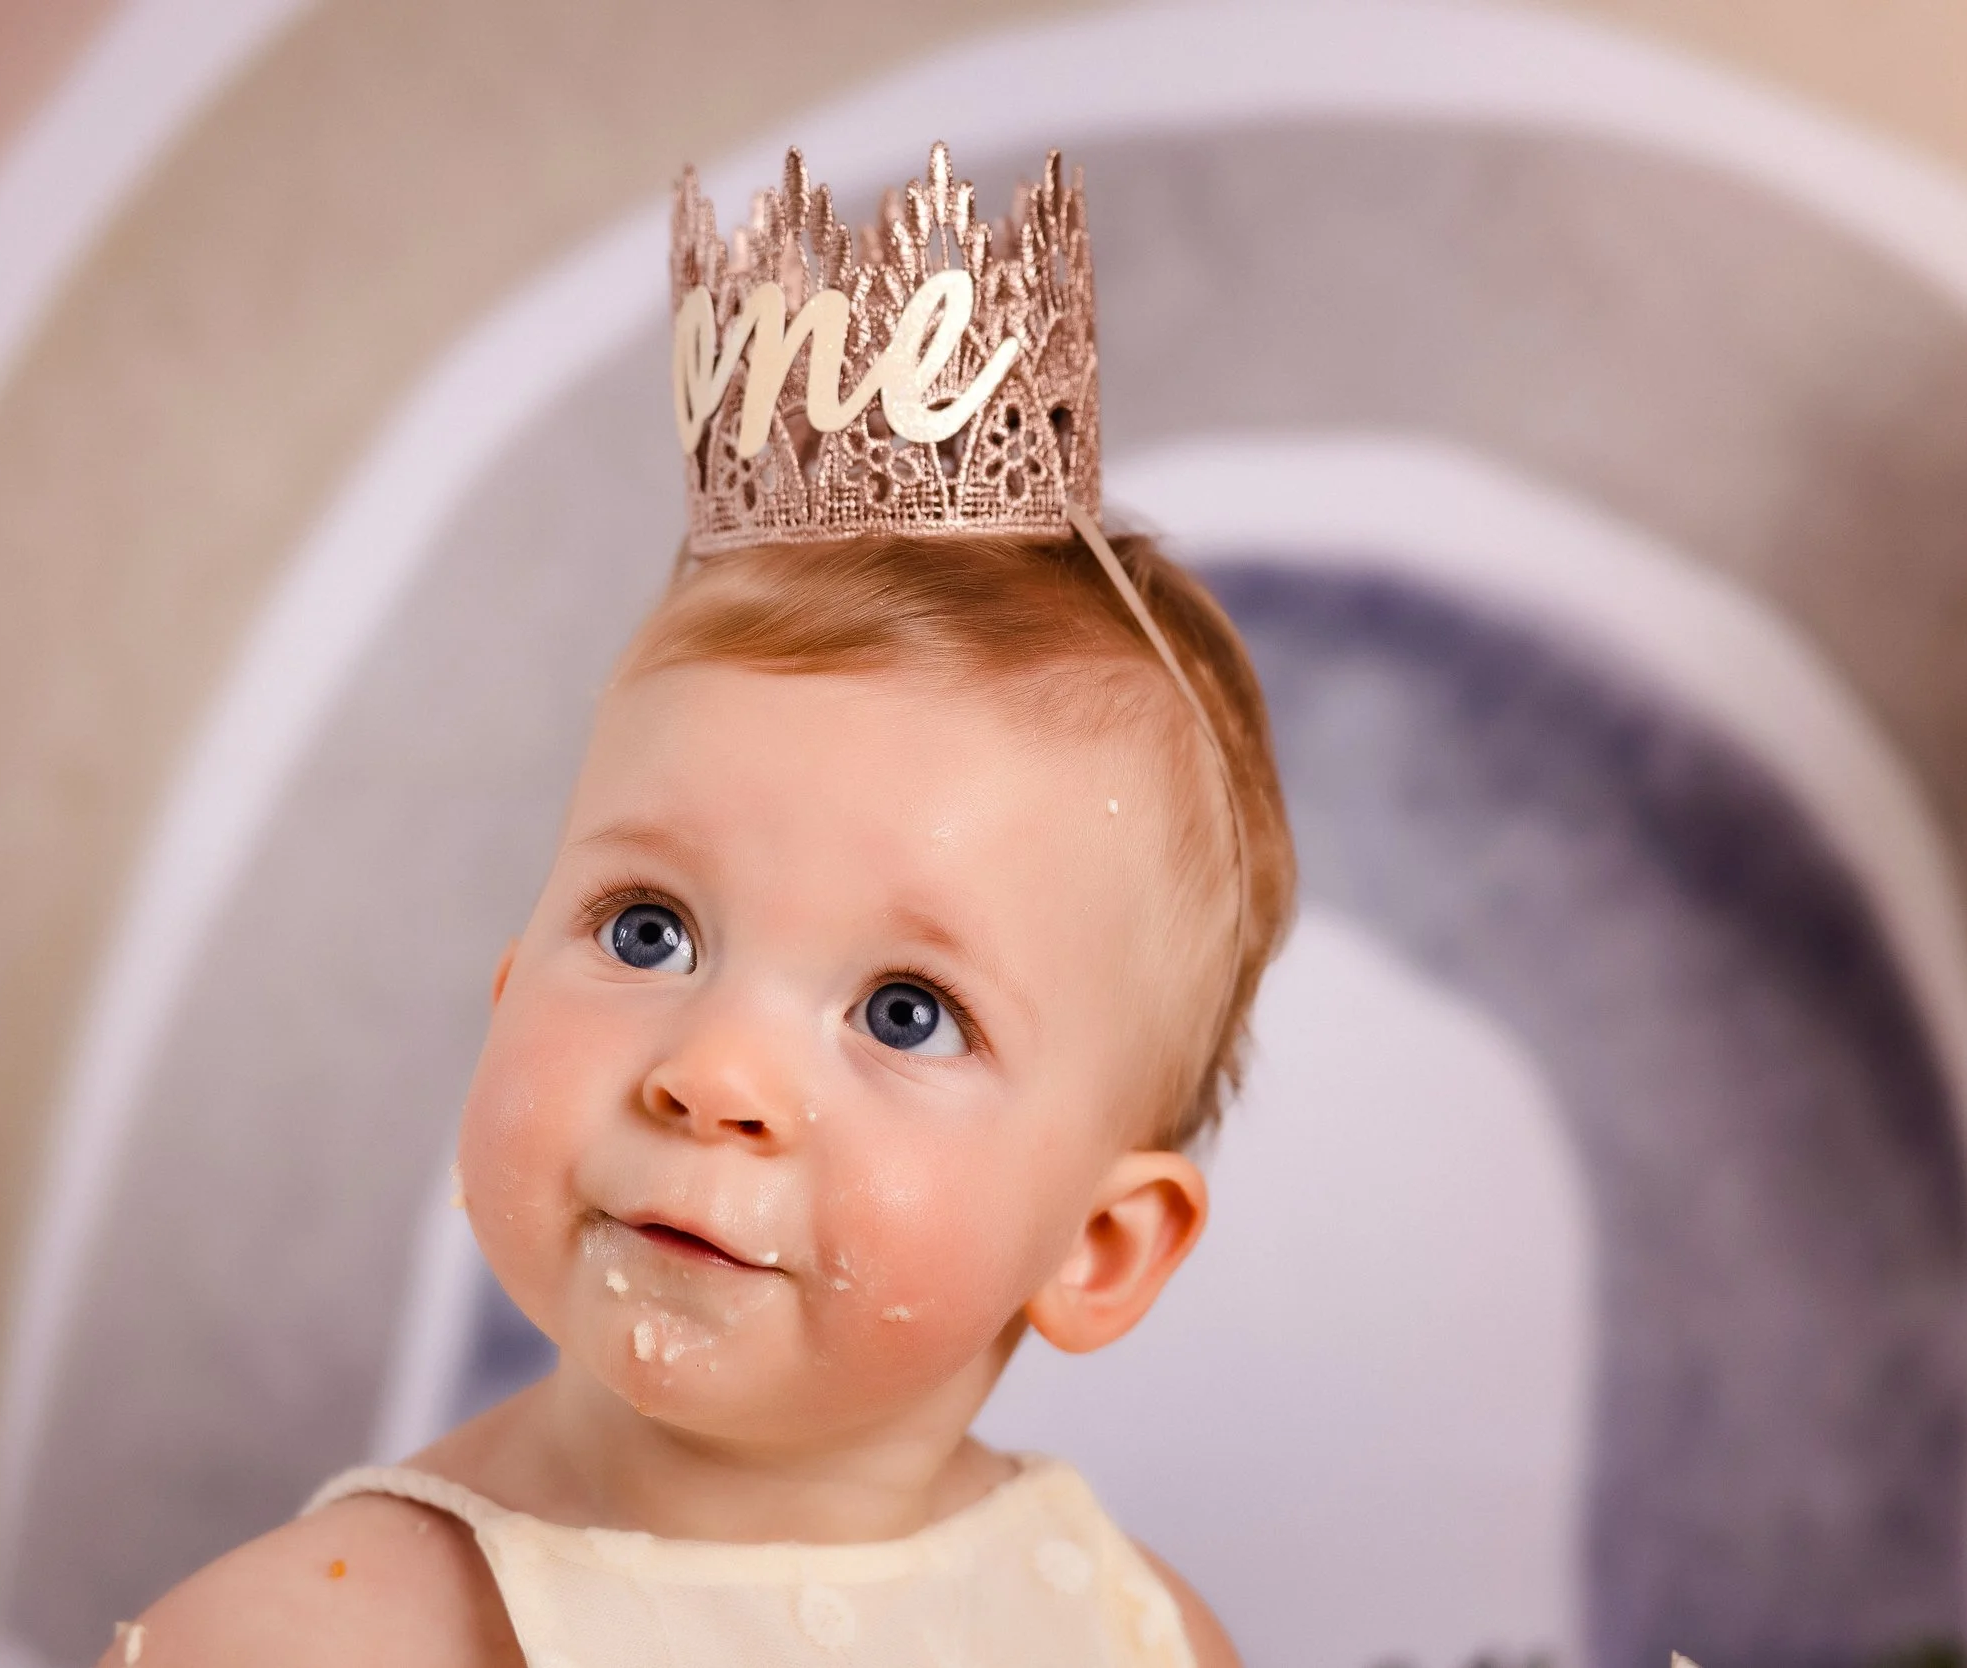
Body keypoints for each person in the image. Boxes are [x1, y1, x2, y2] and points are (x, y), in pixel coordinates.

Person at [105, 141, 1294, 1668]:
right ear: (505, 993)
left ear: (1101, 1245)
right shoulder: (309, 1639)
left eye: (904, 1013)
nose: (714, 1073)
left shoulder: (1130, 1633)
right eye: (646, 931)